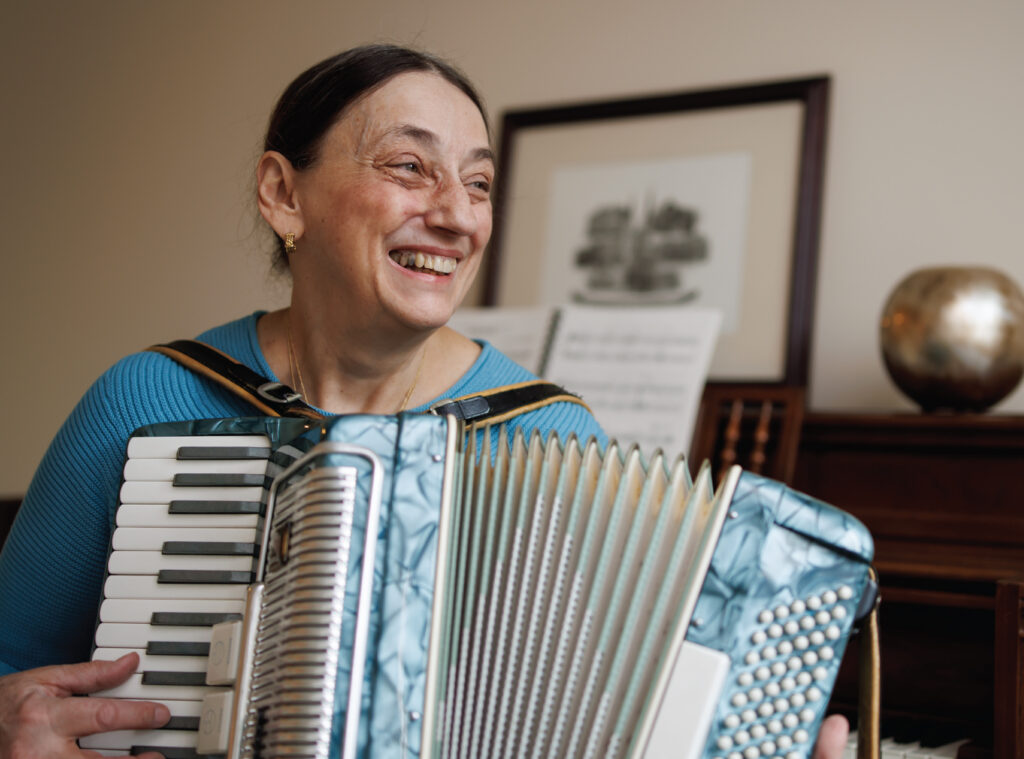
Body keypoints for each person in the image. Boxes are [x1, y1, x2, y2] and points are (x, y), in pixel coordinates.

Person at [0, 44, 847, 758]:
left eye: (477, 185)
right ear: (283, 194)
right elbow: (11, 674)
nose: (455, 215)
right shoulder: (146, 401)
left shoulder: (549, 435)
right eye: (410, 168)